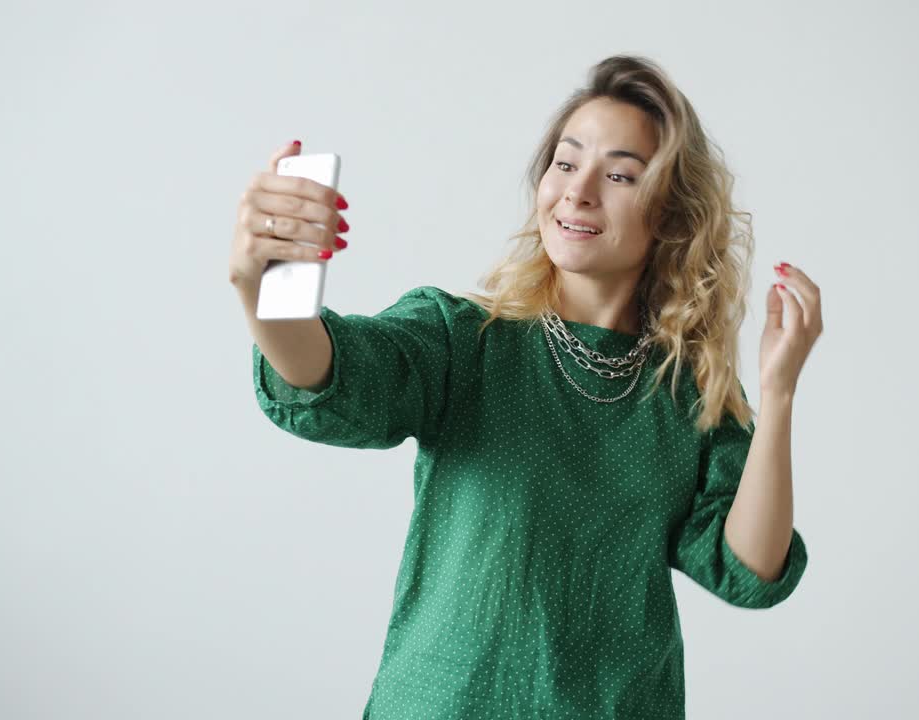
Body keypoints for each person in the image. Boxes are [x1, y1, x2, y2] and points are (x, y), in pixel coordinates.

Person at [228, 54, 823, 720]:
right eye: (566, 164)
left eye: (620, 174)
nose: (579, 190)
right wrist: (265, 287)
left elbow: (749, 568)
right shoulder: (463, 341)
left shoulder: (688, 397)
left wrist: (779, 396)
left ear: (671, 217)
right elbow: (331, 380)